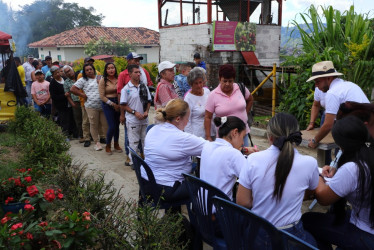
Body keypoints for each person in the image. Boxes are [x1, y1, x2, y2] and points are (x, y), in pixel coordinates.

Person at [236, 113, 318, 246]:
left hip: (258, 234)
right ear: (296, 135)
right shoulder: (310, 163)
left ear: (270, 136)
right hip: (292, 235)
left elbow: (243, 202)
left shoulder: (253, 159)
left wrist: (263, 199)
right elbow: (312, 191)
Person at [302, 116, 374, 249]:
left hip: (365, 233)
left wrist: (317, 174)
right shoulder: (367, 155)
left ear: (342, 144)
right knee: (333, 214)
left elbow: (323, 198)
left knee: (307, 220)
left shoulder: (353, 169)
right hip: (367, 222)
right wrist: (337, 172)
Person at [143, 99, 206, 202]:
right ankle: (201, 216)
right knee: (206, 186)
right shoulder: (182, 138)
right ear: (178, 119)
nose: (188, 121)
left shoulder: (153, 129)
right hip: (165, 189)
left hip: (146, 184)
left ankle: (174, 215)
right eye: (187, 118)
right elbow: (211, 149)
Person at [306, 61, 369, 149]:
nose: (316, 85)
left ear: (329, 78)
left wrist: (314, 141)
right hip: (367, 130)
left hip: (358, 133)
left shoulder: (333, 92)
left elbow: (328, 125)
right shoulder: (351, 85)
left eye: (318, 81)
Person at [200, 116, 257, 200]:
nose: (242, 142)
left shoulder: (207, 146)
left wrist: (243, 150)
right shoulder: (233, 154)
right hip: (221, 209)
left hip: (202, 206)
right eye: (242, 137)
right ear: (235, 132)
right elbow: (251, 180)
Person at [117, 52, 154, 164]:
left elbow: (148, 100)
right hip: (133, 119)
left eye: (139, 72)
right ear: (130, 74)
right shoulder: (125, 88)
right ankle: (133, 162)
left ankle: (146, 161)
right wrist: (133, 112)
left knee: (145, 141)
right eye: (136, 72)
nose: (139, 74)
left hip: (144, 119)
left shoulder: (144, 86)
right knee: (133, 141)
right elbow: (123, 103)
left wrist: (146, 111)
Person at [204, 64, 253, 146]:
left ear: (234, 79)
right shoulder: (213, 95)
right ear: (220, 79)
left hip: (242, 135)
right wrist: (208, 136)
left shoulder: (241, 88)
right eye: (225, 81)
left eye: (230, 81)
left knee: (243, 157)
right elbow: (208, 117)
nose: (227, 84)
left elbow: (250, 99)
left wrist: (245, 113)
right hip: (224, 138)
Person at [71, 64, 108, 151]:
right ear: (84, 72)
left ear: (94, 69)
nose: (89, 71)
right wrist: (82, 94)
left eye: (90, 69)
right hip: (91, 106)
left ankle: (107, 140)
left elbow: (107, 86)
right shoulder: (83, 80)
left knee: (105, 124)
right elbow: (73, 89)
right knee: (93, 124)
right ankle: (96, 143)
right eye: (87, 70)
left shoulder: (100, 77)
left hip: (103, 105)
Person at [99, 62, 123, 155]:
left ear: (115, 69)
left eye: (112, 68)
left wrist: (120, 104)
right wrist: (113, 104)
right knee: (112, 126)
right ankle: (108, 145)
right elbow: (102, 96)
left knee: (117, 126)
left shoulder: (119, 79)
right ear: (106, 70)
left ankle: (116, 144)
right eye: (108, 68)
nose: (111, 70)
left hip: (118, 103)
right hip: (108, 104)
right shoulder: (103, 80)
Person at [184, 67, 213, 138]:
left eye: (200, 82)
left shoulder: (207, 92)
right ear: (191, 84)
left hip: (210, 131)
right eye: (196, 83)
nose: (199, 85)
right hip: (197, 135)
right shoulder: (188, 99)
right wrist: (191, 138)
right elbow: (187, 121)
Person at [49, 66, 75, 138]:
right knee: (64, 120)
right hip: (61, 105)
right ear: (52, 75)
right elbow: (54, 96)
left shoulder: (65, 79)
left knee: (71, 118)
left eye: (58, 72)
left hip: (70, 102)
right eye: (55, 73)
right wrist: (64, 95)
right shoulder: (52, 83)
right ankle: (66, 135)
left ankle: (72, 133)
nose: (57, 74)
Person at [63, 65, 83, 142]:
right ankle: (81, 135)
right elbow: (67, 95)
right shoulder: (66, 83)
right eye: (66, 72)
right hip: (76, 102)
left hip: (84, 101)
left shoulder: (80, 77)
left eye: (69, 70)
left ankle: (89, 135)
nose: (68, 73)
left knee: (87, 119)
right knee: (78, 120)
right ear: (65, 74)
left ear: (72, 70)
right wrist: (72, 104)